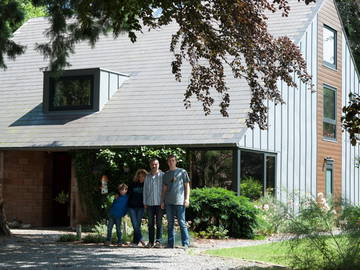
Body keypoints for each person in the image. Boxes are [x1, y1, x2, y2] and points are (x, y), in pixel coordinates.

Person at [161, 154, 190, 248]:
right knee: (170, 224)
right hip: (169, 202)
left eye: (173, 160)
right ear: (167, 162)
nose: (171, 162)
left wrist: (187, 199)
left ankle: (185, 243)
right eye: (169, 161)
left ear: (176, 161)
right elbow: (164, 189)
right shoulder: (166, 174)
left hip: (180, 202)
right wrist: (162, 201)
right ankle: (170, 244)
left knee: (182, 223)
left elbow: (187, 186)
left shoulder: (182, 171)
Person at [143, 158, 164, 248]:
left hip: (160, 203)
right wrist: (144, 202)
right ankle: (151, 242)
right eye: (152, 164)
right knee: (150, 224)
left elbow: (165, 190)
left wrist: (164, 201)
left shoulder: (163, 175)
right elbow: (145, 190)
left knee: (159, 223)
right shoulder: (147, 176)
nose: (154, 166)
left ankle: (158, 242)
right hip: (150, 203)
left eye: (156, 164)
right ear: (150, 165)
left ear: (158, 165)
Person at [128, 169, 147, 246]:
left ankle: (135, 242)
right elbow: (127, 193)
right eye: (139, 176)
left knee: (137, 224)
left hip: (141, 207)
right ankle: (141, 239)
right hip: (131, 206)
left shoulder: (147, 184)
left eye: (143, 176)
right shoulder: (133, 184)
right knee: (134, 223)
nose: (141, 178)